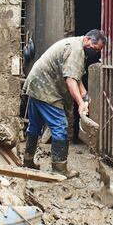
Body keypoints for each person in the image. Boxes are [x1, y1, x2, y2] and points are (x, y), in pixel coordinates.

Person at [22, 29, 106, 178]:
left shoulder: (76, 46)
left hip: (36, 84)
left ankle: (28, 161)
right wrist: (80, 103)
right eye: (94, 49)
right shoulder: (76, 49)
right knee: (60, 126)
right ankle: (59, 168)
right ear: (87, 39)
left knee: (34, 125)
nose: (95, 53)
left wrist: (85, 96)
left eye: (98, 51)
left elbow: (77, 76)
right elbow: (71, 80)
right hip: (46, 88)